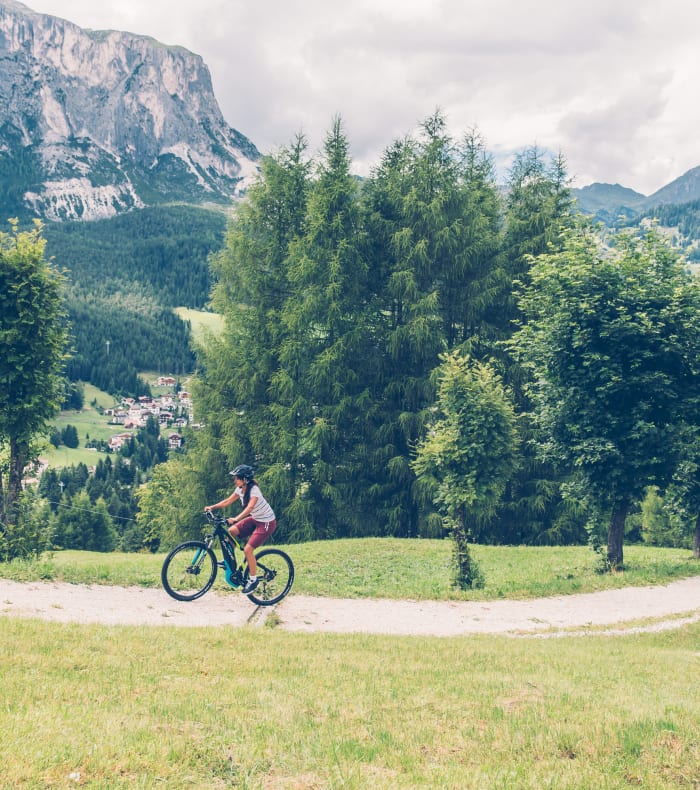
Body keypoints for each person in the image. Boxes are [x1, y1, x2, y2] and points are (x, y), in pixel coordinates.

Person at [204, 464, 276, 594]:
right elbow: (227, 501)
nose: (234, 480)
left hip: (266, 522)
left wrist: (236, 518)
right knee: (231, 532)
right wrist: (212, 507)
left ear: (245, 479)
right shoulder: (240, 489)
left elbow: (249, 508)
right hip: (255, 519)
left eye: (237, 478)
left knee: (248, 549)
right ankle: (230, 562)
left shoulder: (254, 491)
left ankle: (253, 580)